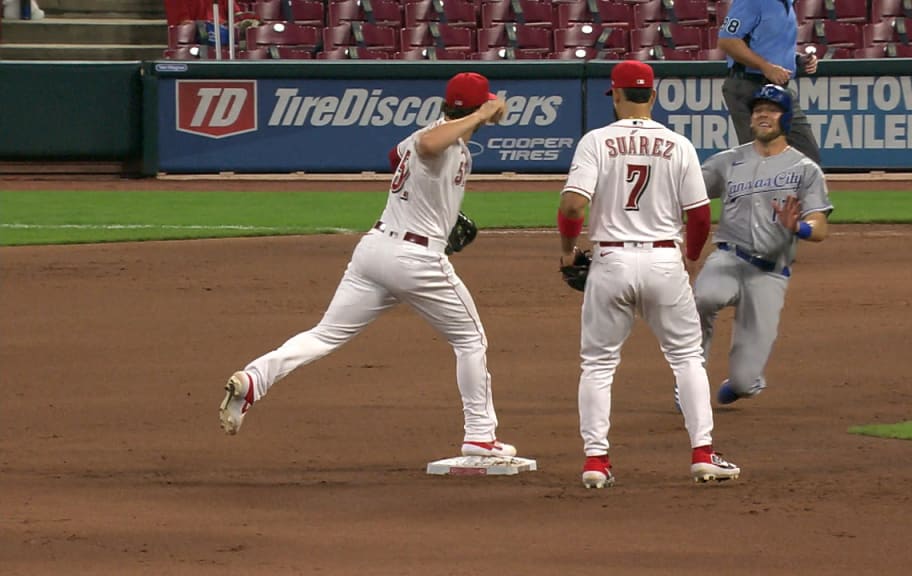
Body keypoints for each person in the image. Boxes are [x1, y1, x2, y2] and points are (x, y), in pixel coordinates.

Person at [220, 72, 518, 461]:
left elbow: (399, 156)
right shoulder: (438, 141)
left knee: (325, 335)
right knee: (470, 340)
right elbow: (429, 144)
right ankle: (480, 435)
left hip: (375, 252)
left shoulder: (436, 138)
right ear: (476, 109)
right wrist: (479, 117)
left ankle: (255, 378)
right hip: (416, 259)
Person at [557, 60, 741, 489]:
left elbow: (571, 207)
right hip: (663, 261)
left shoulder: (595, 141)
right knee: (686, 358)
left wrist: (567, 253)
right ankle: (701, 453)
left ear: (617, 97)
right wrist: (691, 257)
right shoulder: (679, 145)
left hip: (611, 262)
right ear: (652, 97)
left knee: (598, 366)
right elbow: (698, 215)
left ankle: (596, 462)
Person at [693, 84, 833, 406]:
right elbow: (690, 194)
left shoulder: (805, 170)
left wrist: (799, 227)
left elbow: (820, 226)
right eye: (758, 110)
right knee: (703, 298)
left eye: (771, 110)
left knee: (743, 382)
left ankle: (742, 384)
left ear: (786, 119)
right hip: (728, 259)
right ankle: (689, 377)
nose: (762, 115)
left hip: (769, 274)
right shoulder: (727, 161)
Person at [717, 0, 821, 164]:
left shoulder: (787, 4)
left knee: (808, 156)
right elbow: (727, 41)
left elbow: (770, 47)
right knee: (760, 160)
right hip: (749, 86)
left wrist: (798, 60)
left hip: (779, 90)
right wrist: (765, 67)